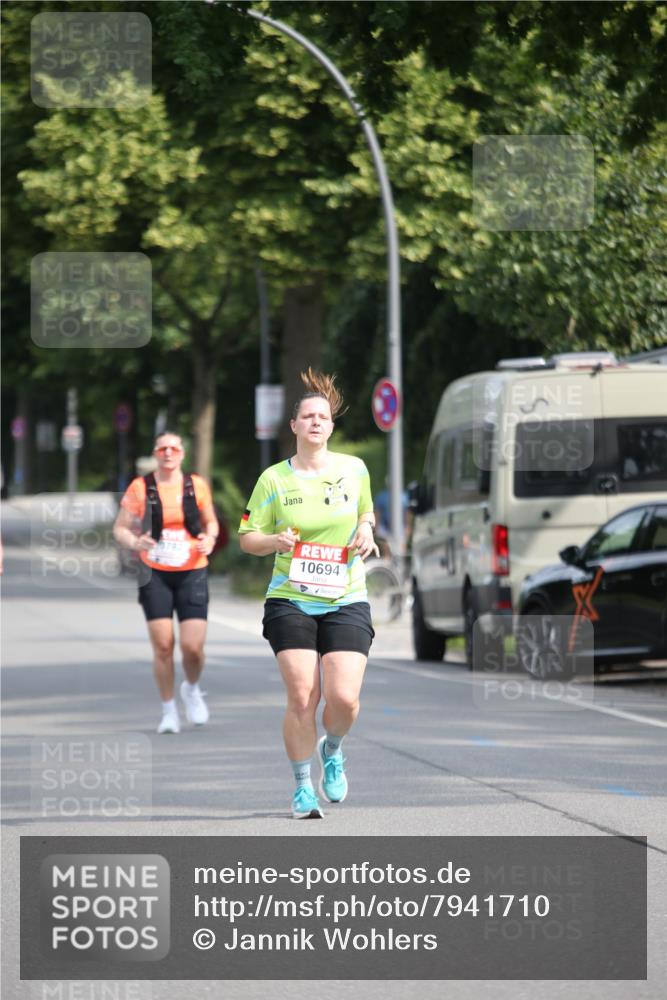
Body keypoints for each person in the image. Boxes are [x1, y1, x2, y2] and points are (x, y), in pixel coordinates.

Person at [239, 369, 379, 819]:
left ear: (331, 427)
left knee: (344, 699)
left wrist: (366, 529)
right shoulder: (273, 480)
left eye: (323, 417)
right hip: (290, 597)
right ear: (294, 426)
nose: (316, 422)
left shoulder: (354, 469)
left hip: (345, 596)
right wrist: (274, 541)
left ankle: (331, 749)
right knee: (303, 696)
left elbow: (366, 512)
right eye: (308, 416)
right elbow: (248, 539)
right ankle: (302, 788)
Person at [113, 430, 219, 734]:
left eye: (174, 448)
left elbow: (211, 522)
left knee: (192, 648)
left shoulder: (196, 485)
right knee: (163, 646)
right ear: (155, 454)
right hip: (155, 572)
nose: (168, 453)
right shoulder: (140, 487)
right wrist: (136, 542)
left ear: (182, 453)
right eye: (162, 449)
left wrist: (210, 538)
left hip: (192, 570)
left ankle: (192, 688)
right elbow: (120, 528)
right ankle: (168, 709)